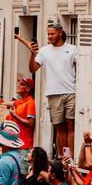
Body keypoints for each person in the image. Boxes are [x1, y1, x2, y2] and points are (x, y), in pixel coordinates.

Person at [25, 21, 77, 158]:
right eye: (48, 34)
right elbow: (32, 69)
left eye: (52, 34)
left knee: (71, 125)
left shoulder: (72, 49)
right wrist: (32, 54)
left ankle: (71, 157)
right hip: (53, 92)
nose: (50, 36)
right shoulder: (44, 51)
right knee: (59, 126)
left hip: (71, 90)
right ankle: (62, 156)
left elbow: (81, 68)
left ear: (60, 33)